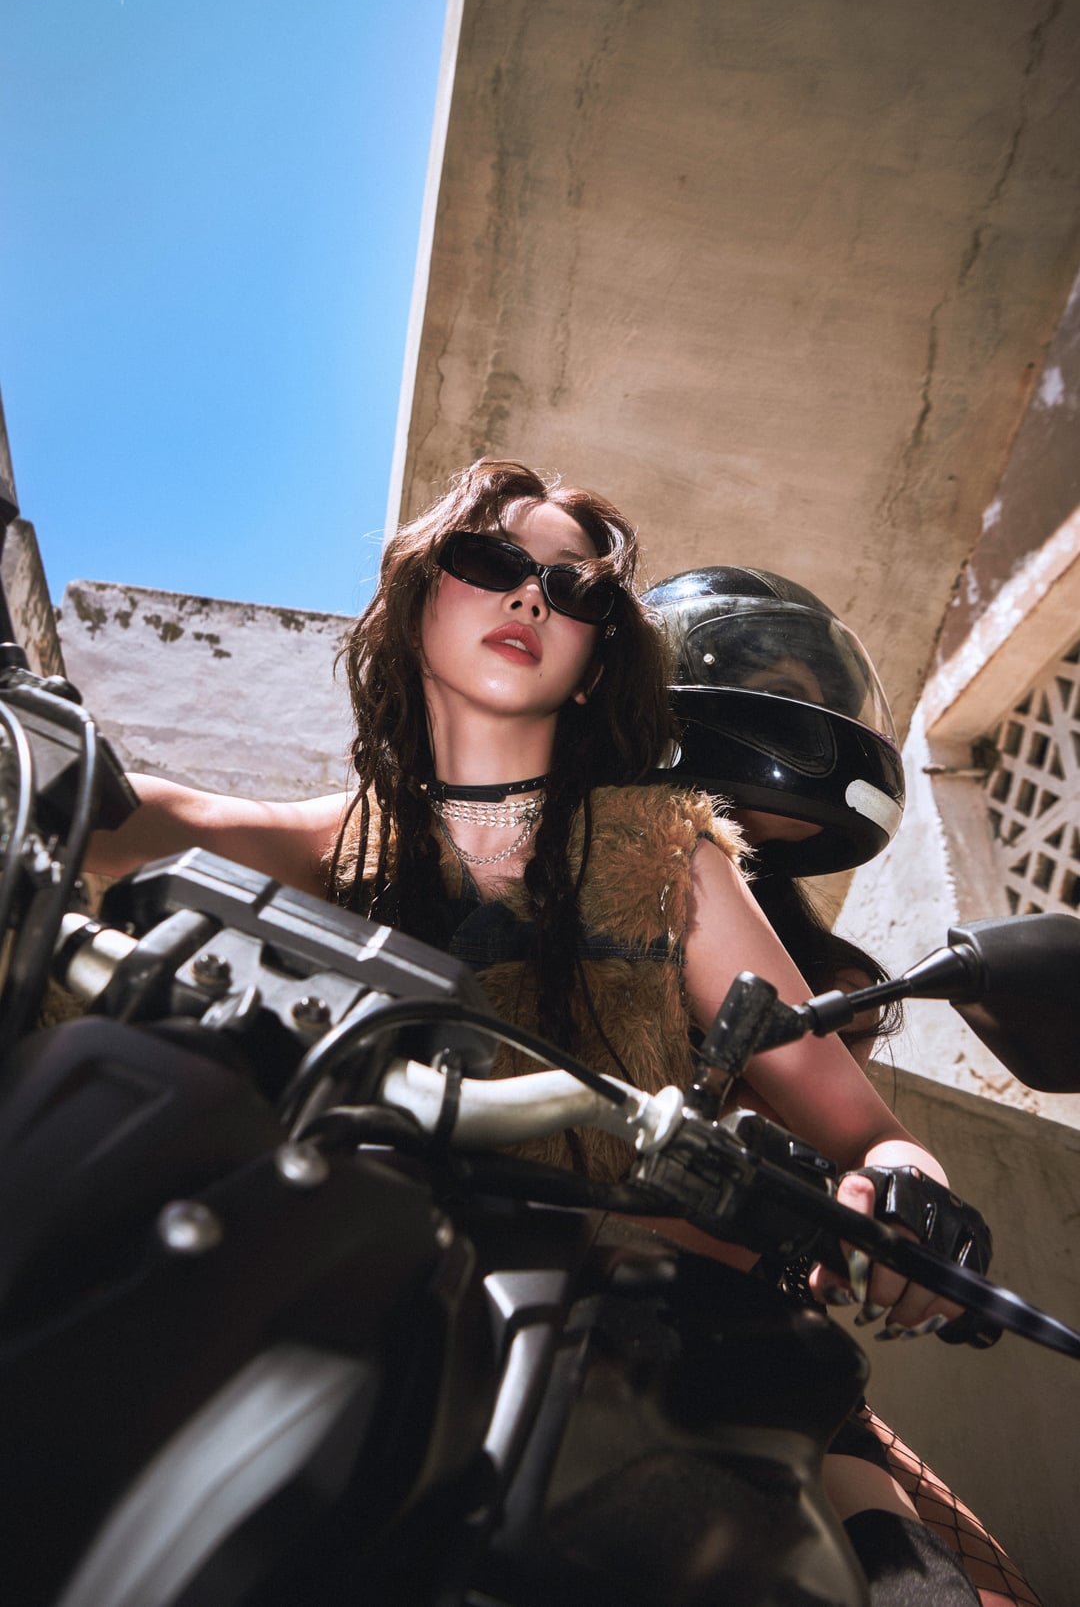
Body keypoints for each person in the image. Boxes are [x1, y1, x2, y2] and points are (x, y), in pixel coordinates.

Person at [87, 458, 990, 1603]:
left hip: (658, 1349)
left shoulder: (670, 852)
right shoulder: (329, 844)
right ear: (418, 597)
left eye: (576, 589)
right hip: (380, 1317)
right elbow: (129, 813)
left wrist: (907, 1189)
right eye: (492, 559)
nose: (530, 594)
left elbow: (867, 1131)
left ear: (600, 658)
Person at [644, 563, 1043, 1607]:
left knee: (968, 1587)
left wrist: (902, 1201)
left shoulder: (823, 977)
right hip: (550, 1312)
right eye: (782, 689)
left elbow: (862, 1142)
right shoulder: (563, 881)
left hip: (749, 1346)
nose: (810, 719)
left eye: (826, 698)